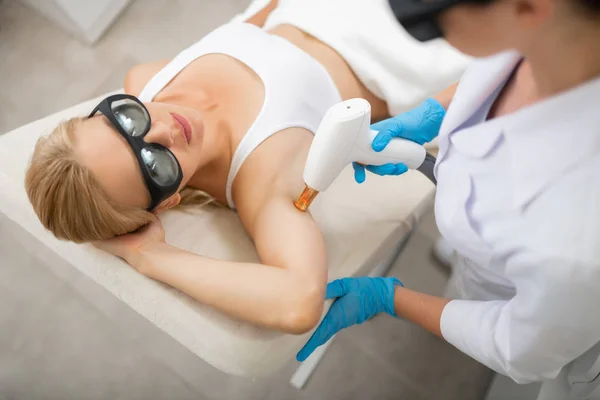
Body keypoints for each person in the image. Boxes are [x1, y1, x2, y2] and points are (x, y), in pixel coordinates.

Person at [24, 1, 467, 334]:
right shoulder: (260, 178)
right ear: (170, 199)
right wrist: (150, 256)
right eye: (155, 164)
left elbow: (250, 23)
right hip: (413, 35)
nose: (163, 131)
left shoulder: (146, 81)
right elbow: (298, 301)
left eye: (126, 118)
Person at [298, 0, 600, 385]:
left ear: (530, 6)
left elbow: (515, 348)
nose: (434, 35)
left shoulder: (581, 246)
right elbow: (503, 58)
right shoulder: (561, 34)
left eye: (437, 24)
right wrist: (437, 111)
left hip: (535, 318)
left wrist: (388, 298)